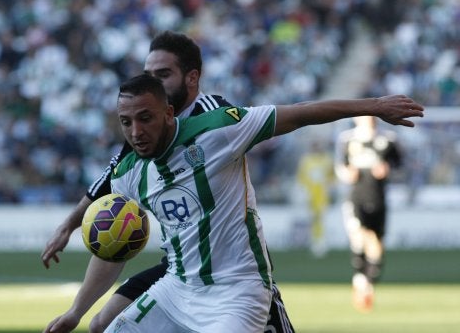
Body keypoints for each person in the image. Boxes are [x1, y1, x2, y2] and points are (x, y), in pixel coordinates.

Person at [49, 74, 423, 332]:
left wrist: (374, 106)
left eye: (145, 119)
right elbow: (114, 250)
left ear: (167, 113)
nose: (135, 131)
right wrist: (76, 312)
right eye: (125, 122)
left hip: (238, 291)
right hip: (178, 288)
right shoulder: (128, 172)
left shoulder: (218, 131)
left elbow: (300, 113)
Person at [41, 31, 294, 333]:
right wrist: (70, 226)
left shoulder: (213, 114)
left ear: (191, 78)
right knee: (100, 325)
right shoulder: (146, 125)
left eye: (163, 75)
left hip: (229, 265)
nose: (154, 83)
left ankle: (268, 310)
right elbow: (110, 179)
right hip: (179, 266)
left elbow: (259, 129)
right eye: (149, 75)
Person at [334, 115, 402, 312]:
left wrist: (388, 170)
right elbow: (340, 167)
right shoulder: (347, 139)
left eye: (371, 116)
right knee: (360, 235)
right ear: (356, 118)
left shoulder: (388, 139)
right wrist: (346, 174)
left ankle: (367, 283)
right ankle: (360, 281)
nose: (368, 119)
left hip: (379, 197)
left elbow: (400, 165)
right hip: (356, 197)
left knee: (376, 242)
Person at [296, 139, 335, 257]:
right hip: (310, 194)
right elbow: (301, 177)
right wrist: (304, 191)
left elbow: (332, 176)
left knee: (321, 218)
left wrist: (330, 186)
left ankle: (321, 242)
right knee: (312, 218)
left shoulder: (327, 159)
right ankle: (314, 241)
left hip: (323, 194)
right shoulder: (306, 160)